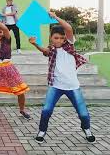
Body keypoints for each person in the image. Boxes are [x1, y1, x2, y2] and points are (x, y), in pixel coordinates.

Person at [29, 12, 95, 144]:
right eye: (56, 38)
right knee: (46, 110)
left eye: (61, 38)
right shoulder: (52, 50)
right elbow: (45, 52)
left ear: (65, 39)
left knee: (82, 113)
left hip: (73, 86)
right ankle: (42, 131)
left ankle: (87, 129)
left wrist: (55, 17)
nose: (59, 40)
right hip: (56, 86)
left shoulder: (69, 46)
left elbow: (69, 29)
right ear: (51, 38)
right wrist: (35, 44)